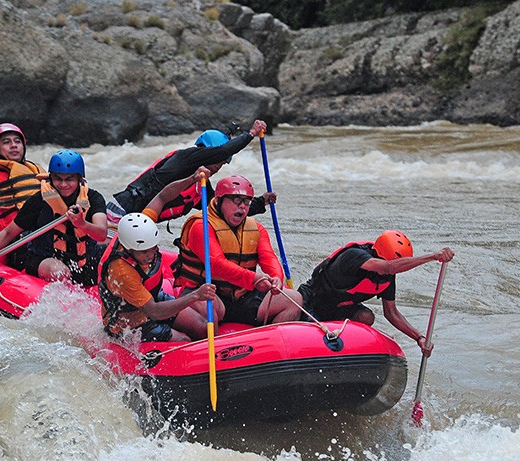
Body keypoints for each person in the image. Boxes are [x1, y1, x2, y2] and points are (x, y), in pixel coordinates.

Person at [99, 167, 222, 342]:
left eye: (153, 248)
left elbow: (163, 196)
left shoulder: (142, 225)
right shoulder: (121, 271)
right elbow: (154, 311)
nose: (150, 255)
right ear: (128, 248)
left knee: (202, 327)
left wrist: (192, 179)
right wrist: (195, 295)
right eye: (143, 252)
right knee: (184, 342)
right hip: (128, 321)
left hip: (151, 297)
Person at [297, 230, 455, 356]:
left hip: (337, 312)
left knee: (366, 317)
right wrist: (433, 257)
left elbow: (391, 313)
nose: (395, 271)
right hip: (311, 303)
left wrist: (418, 337)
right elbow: (388, 267)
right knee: (309, 336)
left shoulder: (386, 277)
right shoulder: (355, 256)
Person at [173, 175, 303, 326]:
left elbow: (269, 258)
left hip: (243, 296)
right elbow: (216, 264)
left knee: (295, 299)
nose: (242, 206)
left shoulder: (256, 229)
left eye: (247, 202)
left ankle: (271, 344)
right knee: (207, 302)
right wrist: (253, 279)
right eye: (237, 200)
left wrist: (276, 279)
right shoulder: (200, 226)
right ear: (219, 200)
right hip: (206, 291)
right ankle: (215, 347)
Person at [0, 150, 108, 287]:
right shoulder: (39, 200)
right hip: (44, 259)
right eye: (58, 178)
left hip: (83, 261)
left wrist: (82, 224)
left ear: (80, 179)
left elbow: (102, 234)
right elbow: (8, 233)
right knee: (60, 272)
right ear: (50, 178)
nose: (63, 184)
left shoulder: (93, 198)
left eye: (69, 179)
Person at [106, 120, 275, 227]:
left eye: (223, 163)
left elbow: (223, 209)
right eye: (219, 160)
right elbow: (223, 151)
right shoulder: (184, 158)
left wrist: (261, 202)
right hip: (121, 211)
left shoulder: (199, 186)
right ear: (207, 152)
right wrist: (251, 134)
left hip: (139, 224)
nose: (219, 167)